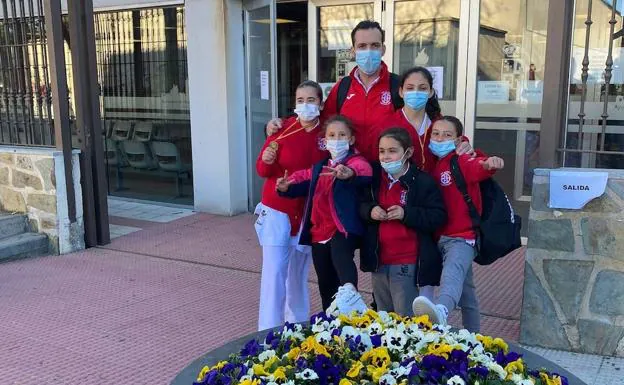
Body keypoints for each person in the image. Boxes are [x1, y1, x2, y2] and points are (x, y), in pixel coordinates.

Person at [411, 116, 505, 332]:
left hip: (462, 237)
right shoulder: (435, 165)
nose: (440, 138)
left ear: (458, 139)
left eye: (447, 135)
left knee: (452, 274)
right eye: (436, 134)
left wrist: (488, 162)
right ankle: (475, 336)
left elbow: (478, 166)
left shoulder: (460, 160)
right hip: (441, 237)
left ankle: (442, 309)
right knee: (466, 290)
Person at [276, 115, 372, 315]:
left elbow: (364, 172)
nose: (337, 139)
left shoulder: (355, 161)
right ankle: (330, 322)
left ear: (351, 139)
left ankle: (351, 292)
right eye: (332, 135)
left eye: (342, 135)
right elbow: (301, 178)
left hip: (342, 228)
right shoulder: (320, 166)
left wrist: (349, 173)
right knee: (325, 281)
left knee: (341, 257)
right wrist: (286, 186)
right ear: (324, 141)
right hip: (319, 232)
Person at [266, 20, 401, 157]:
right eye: (362, 46)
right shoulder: (343, 87)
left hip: (387, 170)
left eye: (375, 45)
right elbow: (318, 119)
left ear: (383, 50)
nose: (368, 51)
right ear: (353, 51)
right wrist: (281, 123)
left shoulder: (397, 86)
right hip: (349, 169)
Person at [254, 80, 328, 331]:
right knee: (274, 274)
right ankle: (269, 332)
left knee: (297, 275)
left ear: (321, 103)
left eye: (311, 100)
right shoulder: (282, 128)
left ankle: (296, 327)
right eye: (300, 100)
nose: (305, 105)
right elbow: (263, 170)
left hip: (308, 212)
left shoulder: (328, 133)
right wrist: (266, 158)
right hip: (277, 210)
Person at [359, 127, 447, 316]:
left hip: (406, 261)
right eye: (382, 151)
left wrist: (405, 214)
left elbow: (437, 216)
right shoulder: (375, 178)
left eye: (392, 151)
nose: (385, 157)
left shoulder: (422, 181)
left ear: (408, 152)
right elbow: (360, 204)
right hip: (379, 260)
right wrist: (370, 210)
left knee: (404, 316)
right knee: (383, 314)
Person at [365, 66, 474, 168]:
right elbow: (375, 163)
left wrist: (464, 143)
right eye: (410, 88)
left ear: (431, 92)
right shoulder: (385, 125)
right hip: (400, 187)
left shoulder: (438, 123)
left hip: (438, 186)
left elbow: (456, 138)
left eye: (422, 88)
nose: (416, 93)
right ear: (401, 92)